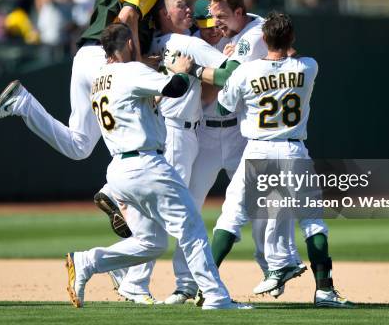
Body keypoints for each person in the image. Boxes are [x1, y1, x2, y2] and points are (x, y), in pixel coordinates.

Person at [0, 0, 185, 244]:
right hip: (109, 59)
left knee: (79, 146)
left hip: (84, 59)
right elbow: (126, 16)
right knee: (141, 128)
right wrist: (138, 59)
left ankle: (23, 103)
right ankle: (114, 194)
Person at [65, 22, 251, 311]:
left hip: (118, 169)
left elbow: (145, 101)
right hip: (146, 164)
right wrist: (184, 70)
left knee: (151, 243)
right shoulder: (131, 70)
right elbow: (174, 88)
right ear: (129, 45)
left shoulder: (101, 77)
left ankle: (87, 262)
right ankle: (216, 297)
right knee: (192, 228)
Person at [215, 11, 353, 308]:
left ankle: (207, 285)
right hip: (293, 150)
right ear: (291, 38)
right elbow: (291, 52)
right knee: (312, 221)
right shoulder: (308, 66)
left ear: (263, 39)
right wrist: (284, 40)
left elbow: (224, 106)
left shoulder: (246, 71)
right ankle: (325, 291)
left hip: (257, 150)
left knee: (232, 217)